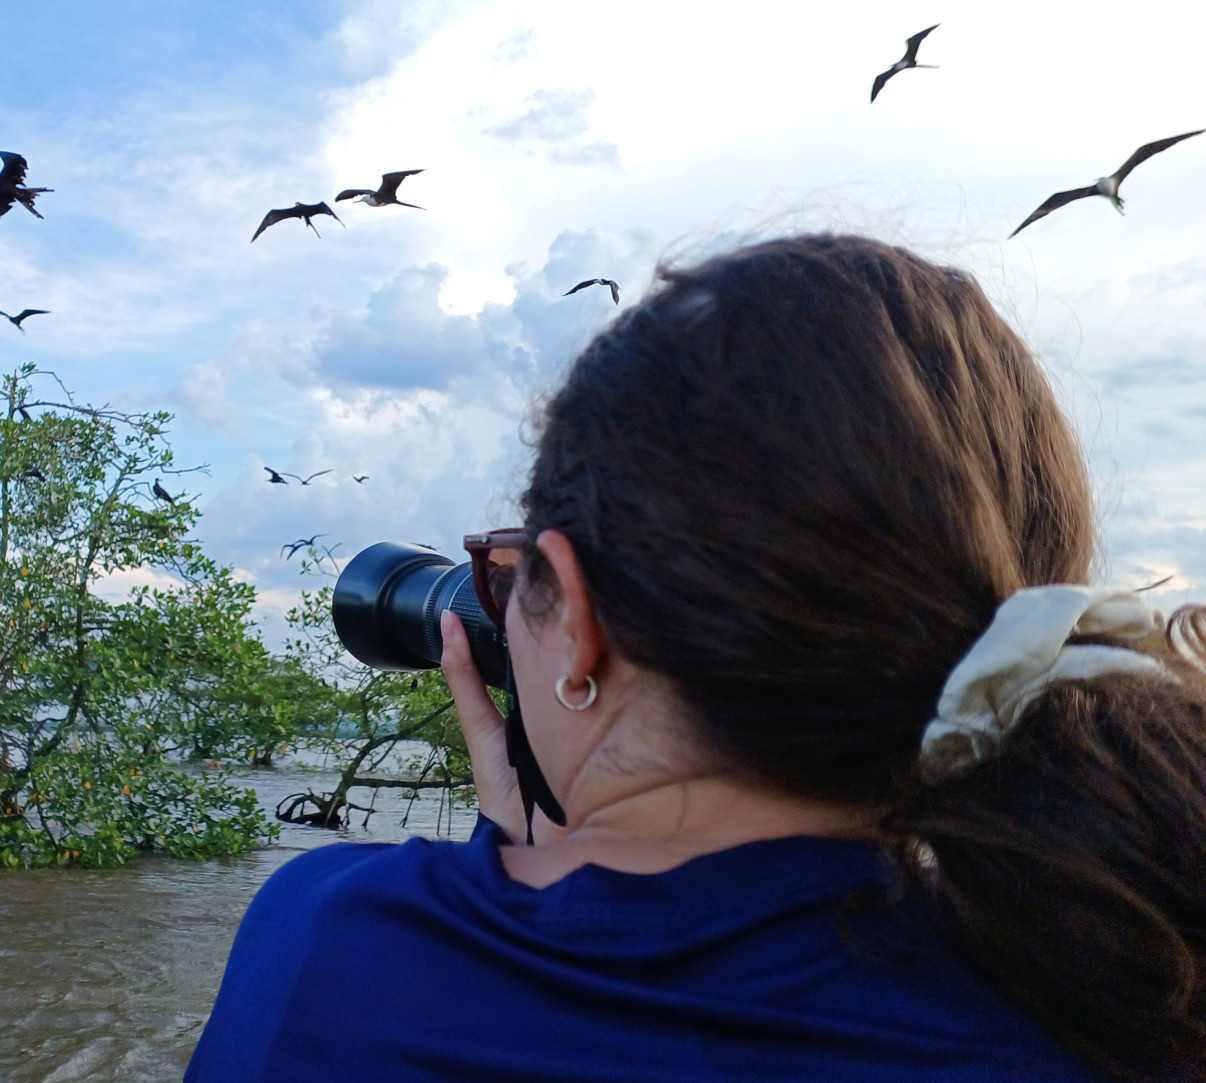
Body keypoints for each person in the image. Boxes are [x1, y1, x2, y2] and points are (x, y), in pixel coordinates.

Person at [186, 235, 1206, 1082]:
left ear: (574, 620)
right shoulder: (1123, 997)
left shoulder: (335, 948)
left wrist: (513, 871)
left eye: (508, 585)